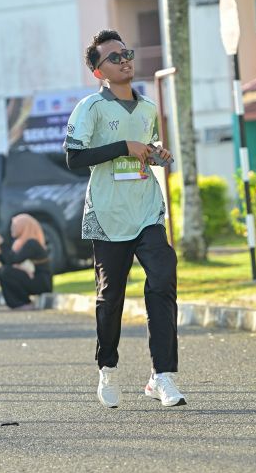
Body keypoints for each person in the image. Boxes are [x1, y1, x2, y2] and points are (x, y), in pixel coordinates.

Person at [64, 29, 186, 409]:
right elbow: (74, 158)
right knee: (110, 296)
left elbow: (144, 151)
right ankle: (107, 367)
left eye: (127, 54)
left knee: (163, 277)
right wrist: (124, 147)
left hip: (147, 209)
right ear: (99, 71)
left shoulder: (147, 108)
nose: (125, 61)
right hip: (108, 215)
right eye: (114, 58)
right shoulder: (90, 109)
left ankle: (161, 375)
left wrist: (155, 154)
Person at [0, 214, 52, 310]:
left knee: (6, 272)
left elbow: (13, 260)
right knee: (1, 271)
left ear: (24, 227)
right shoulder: (19, 243)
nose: (12, 229)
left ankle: (24, 302)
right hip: (30, 278)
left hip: (41, 283)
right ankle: (16, 304)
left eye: (15, 226)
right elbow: (6, 262)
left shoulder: (32, 243)